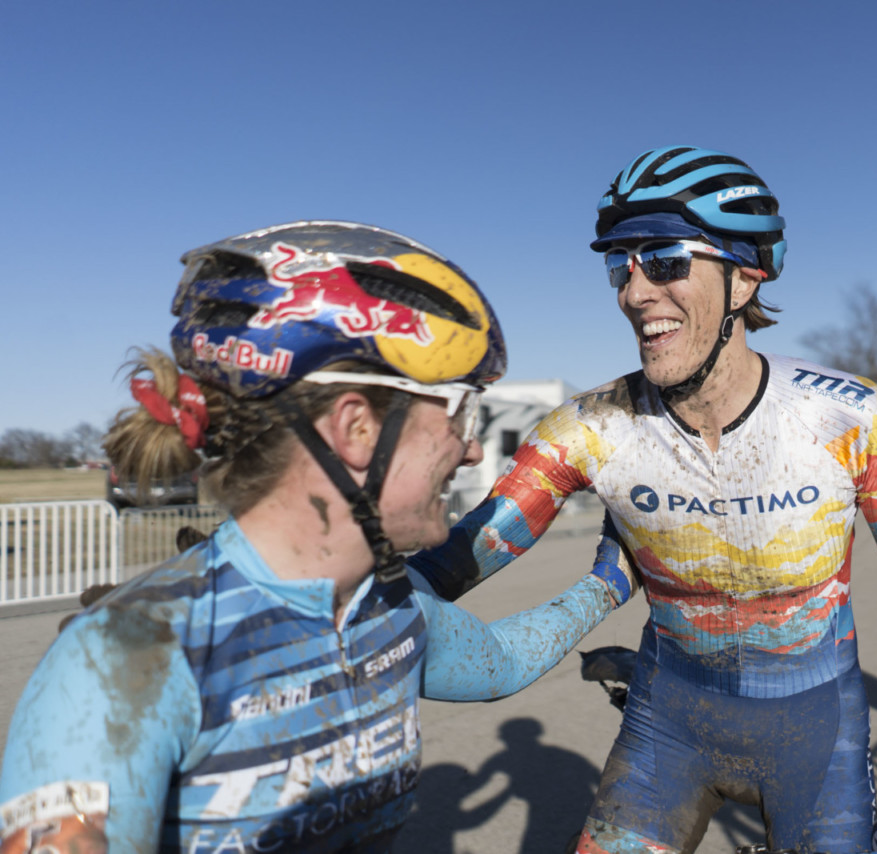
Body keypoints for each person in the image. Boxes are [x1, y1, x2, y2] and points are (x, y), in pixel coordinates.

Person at [409, 147, 877, 854]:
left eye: (667, 261)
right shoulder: (585, 431)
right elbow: (435, 576)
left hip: (817, 736)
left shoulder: (852, 420)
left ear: (745, 279)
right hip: (668, 725)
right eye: (623, 265)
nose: (634, 292)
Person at [0, 222, 633, 852]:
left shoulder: (385, 605)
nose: (470, 451)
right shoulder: (118, 663)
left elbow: (498, 662)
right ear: (356, 429)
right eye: (461, 413)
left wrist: (610, 582)